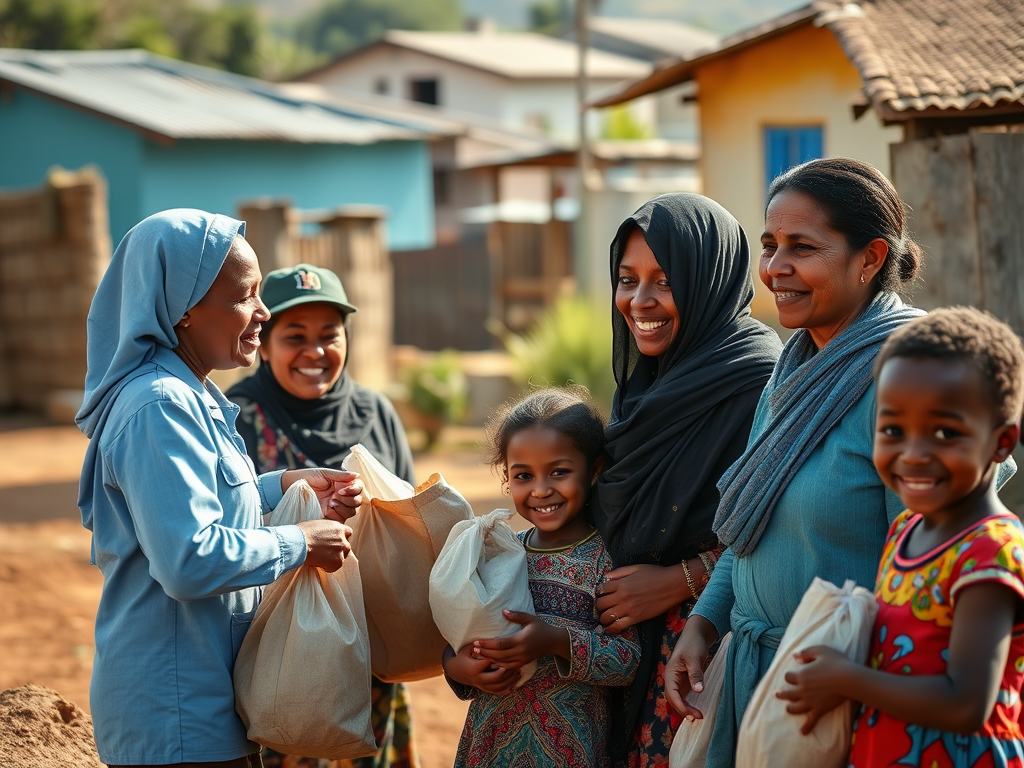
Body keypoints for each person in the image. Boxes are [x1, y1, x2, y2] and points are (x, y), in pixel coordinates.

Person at [664, 158, 964, 768]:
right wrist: (704, 622)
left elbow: (928, 581)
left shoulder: (908, 383)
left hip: (845, 691)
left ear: (870, 258)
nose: (775, 269)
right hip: (755, 675)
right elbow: (755, 523)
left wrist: (858, 687)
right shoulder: (794, 370)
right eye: (770, 245)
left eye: (802, 247)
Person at [76, 210, 362, 768]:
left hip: (201, 701)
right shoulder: (159, 405)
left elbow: (199, 502)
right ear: (183, 309)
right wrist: (301, 542)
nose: (263, 313)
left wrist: (281, 485)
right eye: (245, 297)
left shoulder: (189, 394)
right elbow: (189, 558)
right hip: (176, 713)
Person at [778, 307, 1024, 767]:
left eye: (944, 432)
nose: (913, 455)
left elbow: (965, 703)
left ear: (1002, 442)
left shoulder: (991, 552)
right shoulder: (907, 532)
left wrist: (847, 680)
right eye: (893, 430)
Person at [589, 193, 783, 766]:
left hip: (707, 648)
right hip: (628, 647)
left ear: (710, 280)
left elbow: (781, 525)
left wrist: (682, 580)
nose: (639, 301)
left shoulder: (759, 384)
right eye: (627, 279)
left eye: (664, 281)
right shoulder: (645, 389)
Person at [226, 263, 418, 768]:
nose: (315, 352)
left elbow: (406, 523)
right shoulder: (237, 418)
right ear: (263, 343)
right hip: (281, 653)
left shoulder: (376, 413)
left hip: (371, 650)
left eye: (329, 335)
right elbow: (225, 532)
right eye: (295, 336)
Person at [442, 388, 642, 768]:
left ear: (595, 468)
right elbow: (462, 633)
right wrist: (456, 666)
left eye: (559, 471)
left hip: (571, 751)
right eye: (523, 475)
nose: (540, 489)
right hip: (490, 745)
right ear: (507, 477)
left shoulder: (607, 561)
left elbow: (628, 660)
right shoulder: (498, 555)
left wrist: (556, 641)